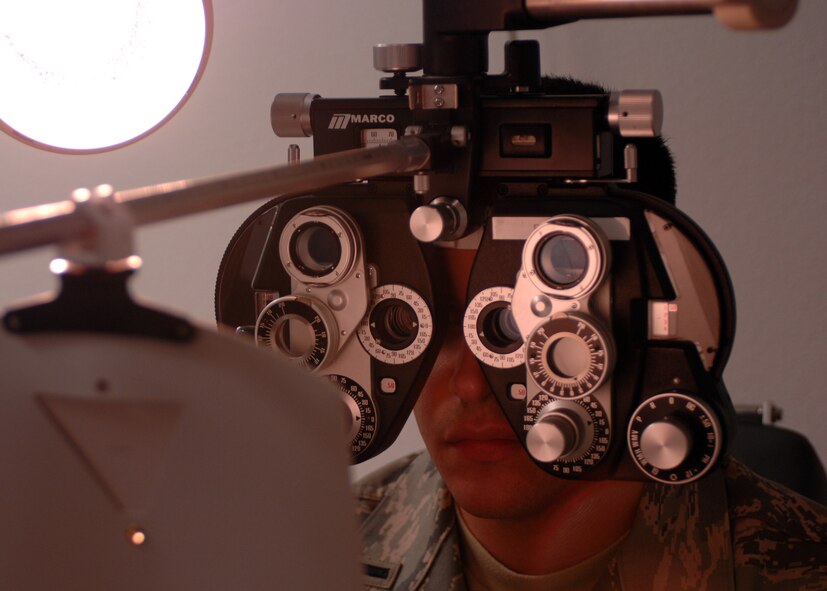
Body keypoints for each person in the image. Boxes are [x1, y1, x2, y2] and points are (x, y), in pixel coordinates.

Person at [352, 80, 827, 590]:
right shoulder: (314, 550)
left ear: (645, 310)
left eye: (519, 328)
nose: (469, 383)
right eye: (422, 324)